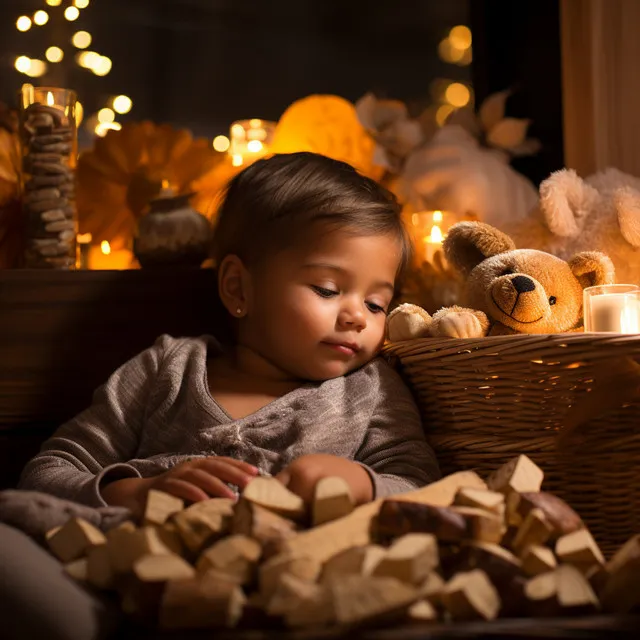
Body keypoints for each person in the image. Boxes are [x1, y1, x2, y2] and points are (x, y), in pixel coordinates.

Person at [18, 152, 439, 519]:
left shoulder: (371, 391)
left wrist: (365, 484)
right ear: (239, 287)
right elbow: (47, 474)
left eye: (376, 304)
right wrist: (134, 493)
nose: (357, 317)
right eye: (327, 290)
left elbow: (423, 487)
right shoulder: (167, 370)